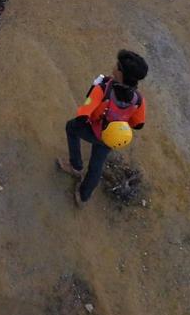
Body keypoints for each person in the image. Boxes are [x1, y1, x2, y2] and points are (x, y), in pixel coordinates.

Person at [57, 51, 149, 205]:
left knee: (71, 127)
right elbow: (138, 124)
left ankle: (76, 166)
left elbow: (83, 114)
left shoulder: (103, 89)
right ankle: (84, 195)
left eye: (117, 65)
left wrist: (83, 121)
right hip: (112, 138)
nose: (114, 66)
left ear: (120, 73)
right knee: (96, 164)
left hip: (95, 130)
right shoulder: (138, 100)